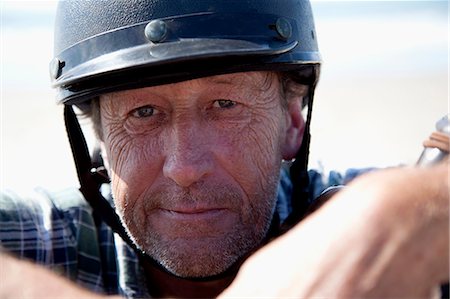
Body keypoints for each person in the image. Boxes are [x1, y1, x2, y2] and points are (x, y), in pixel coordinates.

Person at [1, 0, 448, 298]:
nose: (185, 168)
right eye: (142, 112)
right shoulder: (47, 242)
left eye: (224, 104)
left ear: (293, 122)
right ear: (99, 139)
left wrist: (406, 212)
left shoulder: (365, 230)